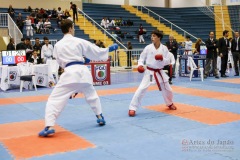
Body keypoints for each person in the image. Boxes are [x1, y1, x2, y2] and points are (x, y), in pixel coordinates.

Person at [38, 19, 118, 137]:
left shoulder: (58, 45)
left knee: (54, 99)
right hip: (83, 72)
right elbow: (94, 50)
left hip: (70, 73)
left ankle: (49, 126)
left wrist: (71, 61)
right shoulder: (79, 41)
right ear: (70, 28)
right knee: (92, 95)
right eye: (73, 28)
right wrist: (107, 50)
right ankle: (100, 116)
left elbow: (60, 62)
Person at [128, 30, 177, 117]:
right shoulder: (148, 48)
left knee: (168, 90)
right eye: (151, 36)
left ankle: (169, 103)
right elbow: (141, 58)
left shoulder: (164, 49)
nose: (152, 37)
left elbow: (167, 61)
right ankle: (132, 108)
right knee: (142, 89)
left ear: (159, 38)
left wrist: (162, 59)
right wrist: (140, 65)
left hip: (160, 72)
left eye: (154, 36)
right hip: (150, 73)